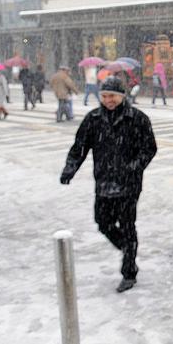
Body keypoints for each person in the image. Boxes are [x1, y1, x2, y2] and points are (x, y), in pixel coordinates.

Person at [60, 77, 157, 293]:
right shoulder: (94, 119)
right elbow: (80, 147)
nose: (108, 100)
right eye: (104, 96)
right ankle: (127, 246)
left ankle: (129, 272)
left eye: (112, 96)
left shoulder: (137, 118)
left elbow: (149, 148)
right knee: (102, 221)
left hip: (129, 184)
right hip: (103, 181)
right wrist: (70, 169)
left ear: (122, 96)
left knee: (127, 224)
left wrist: (134, 167)